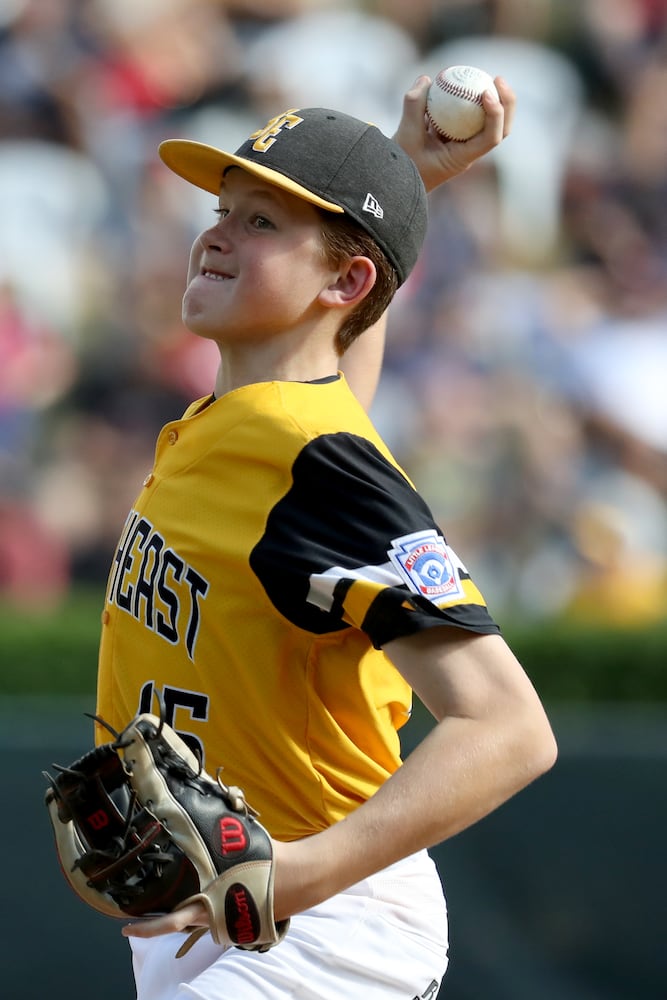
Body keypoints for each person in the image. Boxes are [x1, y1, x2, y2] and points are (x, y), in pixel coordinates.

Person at [96, 75, 557, 999]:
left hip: (316, 925)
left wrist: (304, 874)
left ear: (345, 282)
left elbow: (509, 728)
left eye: (265, 222)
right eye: (224, 208)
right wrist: (405, 179)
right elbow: (337, 377)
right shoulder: (257, 423)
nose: (218, 230)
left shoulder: (313, 457)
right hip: (237, 911)